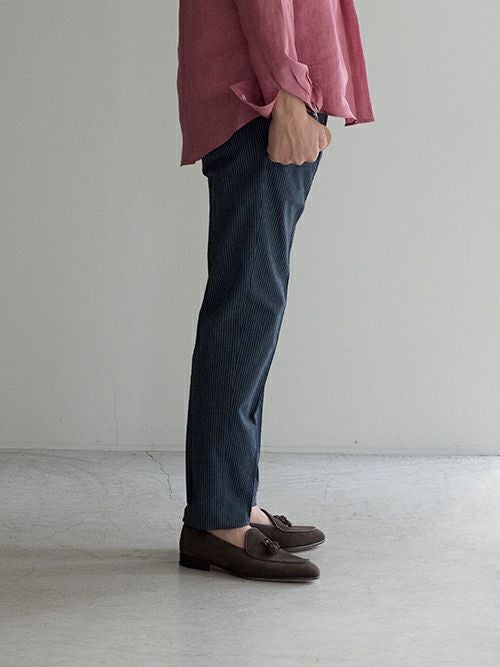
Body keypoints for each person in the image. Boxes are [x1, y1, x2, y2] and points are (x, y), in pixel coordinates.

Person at [176, 0, 374, 582]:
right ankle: (216, 520)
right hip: (262, 102)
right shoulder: (274, 99)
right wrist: (287, 95)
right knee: (247, 309)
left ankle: (231, 502)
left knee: (254, 309)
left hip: (271, 94)